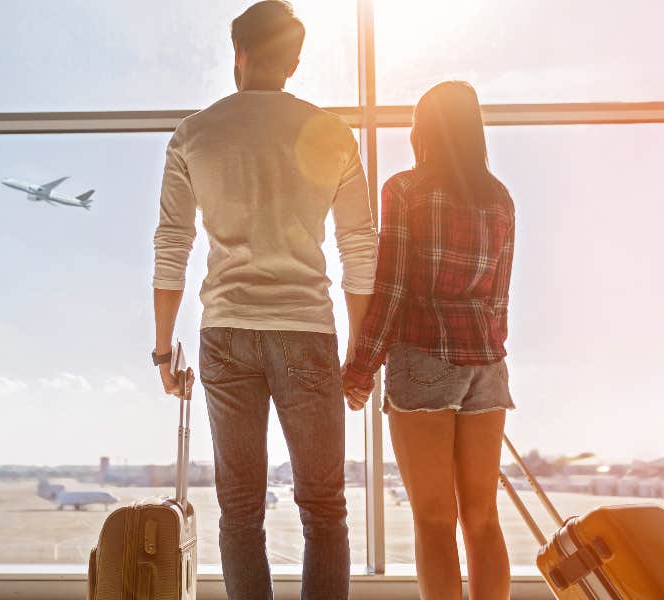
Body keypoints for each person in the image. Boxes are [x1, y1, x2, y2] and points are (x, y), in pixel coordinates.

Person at [150, 2, 377, 598]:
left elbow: (172, 244)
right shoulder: (333, 135)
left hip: (225, 332)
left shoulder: (194, 134)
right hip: (307, 331)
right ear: (295, 62)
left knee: (240, 510)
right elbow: (359, 246)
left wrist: (160, 349)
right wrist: (359, 352)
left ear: (239, 53)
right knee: (324, 507)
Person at [342, 81, 516, 600]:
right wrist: (484, 353)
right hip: (487, 364)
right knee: (482, 518)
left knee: (435, 519)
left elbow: (392, 289)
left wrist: (361, 368)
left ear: (425, 130)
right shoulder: (499, 198)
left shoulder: (406, 190)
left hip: (423, 357)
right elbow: (500, 298)